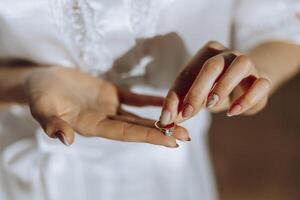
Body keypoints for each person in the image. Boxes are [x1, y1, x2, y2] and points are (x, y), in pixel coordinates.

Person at [0, 0, 299, 199]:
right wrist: (22, 84)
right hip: (22, 171)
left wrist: (250, 75)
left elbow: (282, 23)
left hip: (169, 176)